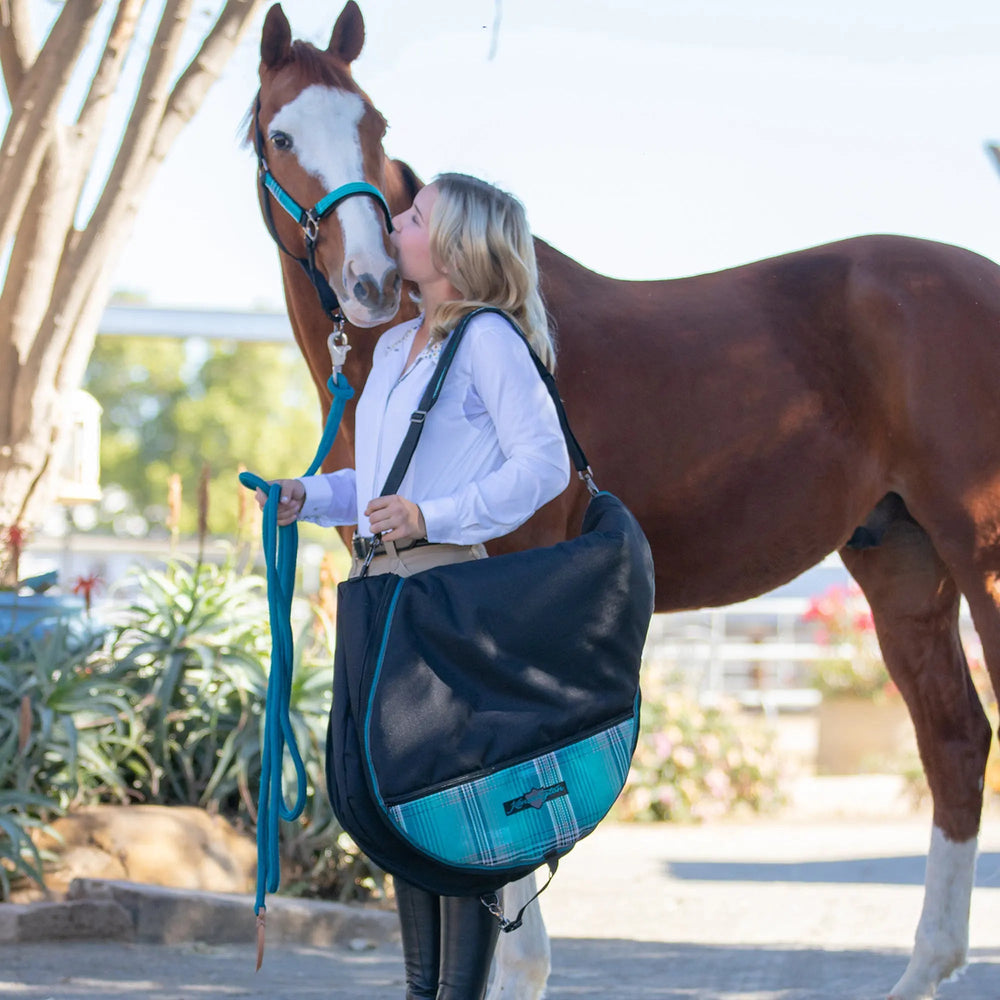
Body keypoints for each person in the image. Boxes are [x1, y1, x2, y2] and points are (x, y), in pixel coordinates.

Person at [256, 172, 570, 1000]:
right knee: (403, 811)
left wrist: (436, 516)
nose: (396, 221)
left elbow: (544, 465)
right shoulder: (397, 344)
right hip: (379, 595)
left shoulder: (490, 340)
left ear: (454, 246)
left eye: (415, 214)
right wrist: (307, 495)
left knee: (450, 820)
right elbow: (377, 482)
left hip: (439, 597)